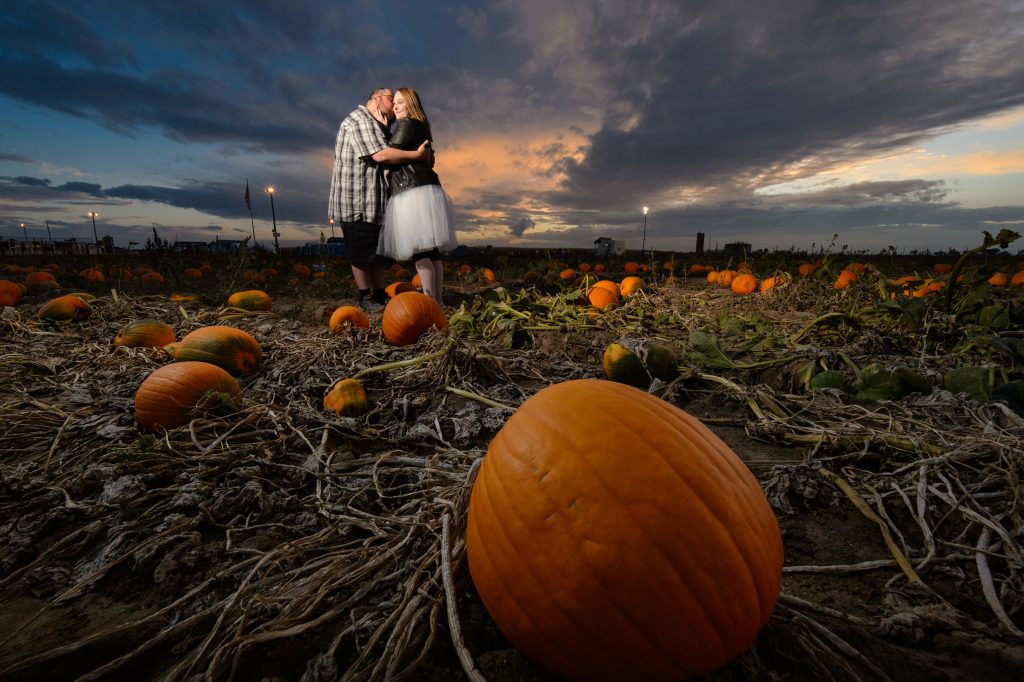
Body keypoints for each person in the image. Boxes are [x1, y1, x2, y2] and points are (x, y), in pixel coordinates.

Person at [328, 87, 431, 312]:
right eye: (390, 99)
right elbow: (381, 155)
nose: (393, 104)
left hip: (373, 201)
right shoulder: (359, 119)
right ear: (376, 98)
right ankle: (365, 296)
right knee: (360, 253)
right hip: (356, 199)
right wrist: (417, 156)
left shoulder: (379, 125)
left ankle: (378, 293)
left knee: (375, 253)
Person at [376, 87, 458, 306]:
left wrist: (384, 129)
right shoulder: (422, 126)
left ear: (411, 105)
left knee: (419, 252)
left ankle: (430, 305)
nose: (395, 106)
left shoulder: (406, 124)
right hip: (427, 188)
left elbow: (389, 154)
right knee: (432, 253)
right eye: (394, 103)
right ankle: (437, 303)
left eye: (401, 102)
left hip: (411, 190)